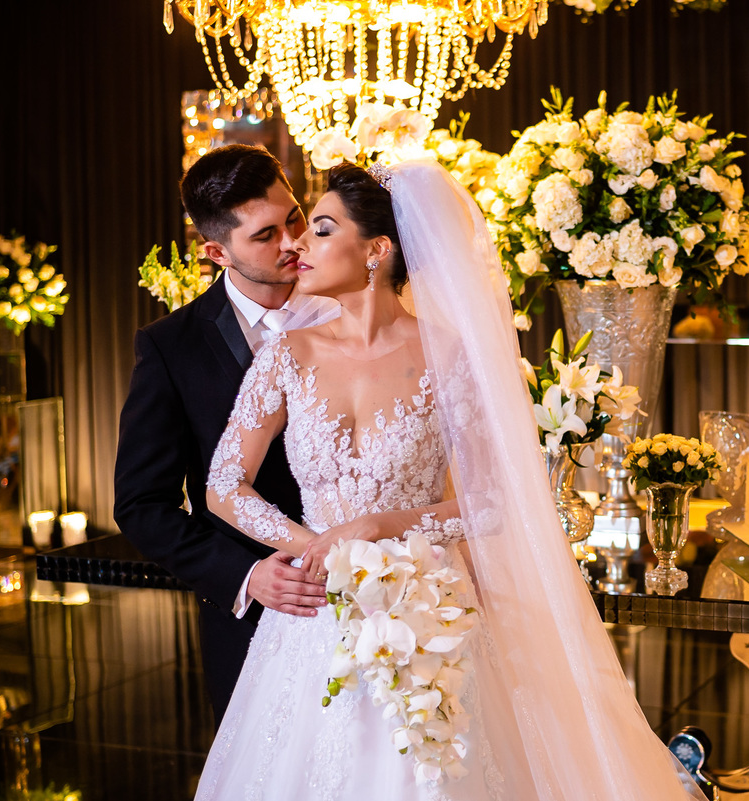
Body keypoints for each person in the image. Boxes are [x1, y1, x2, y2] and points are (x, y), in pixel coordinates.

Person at [194, 160, 705, 800]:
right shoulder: (287, 355)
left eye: (321, 229)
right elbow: (223, 483)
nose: (298, 244)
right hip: (316, 607)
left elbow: (495, 501)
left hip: (429, 607)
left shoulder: (449, 355)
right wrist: (312, 546)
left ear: (376, 250)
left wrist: (379, 527)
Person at [113, 145, 339, 721]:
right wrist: (244, 576)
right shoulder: (170, 347)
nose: (293, 242)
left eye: (295, 218)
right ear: (217, 251)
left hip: (381, 591)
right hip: (258, 617)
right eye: (265, 235)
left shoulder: (355, 307)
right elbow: (142, 505)